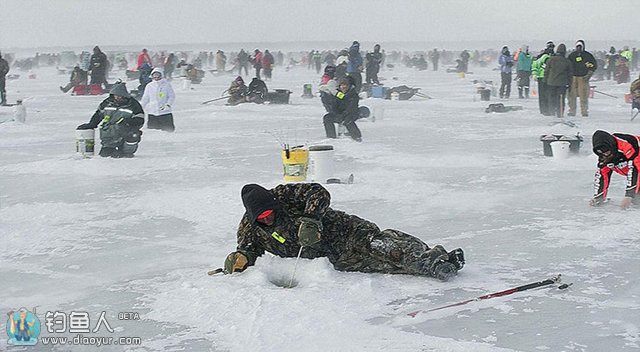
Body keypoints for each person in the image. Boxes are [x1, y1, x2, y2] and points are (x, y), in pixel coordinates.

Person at [222, 183, 465, 281]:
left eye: (269, 213)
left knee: (384, 248)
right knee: (383, 265)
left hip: (347, 231)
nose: (267, 218)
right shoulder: (249, 226)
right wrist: (241, 257)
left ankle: (434, 261)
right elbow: (247, 248)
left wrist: (311, 219)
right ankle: (435, 263)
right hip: (335, 256)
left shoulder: (284, 195)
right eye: (261, 218)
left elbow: (318, 192)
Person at [76, 83, 144, 158]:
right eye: (115, 95)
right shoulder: (107, 103)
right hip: (109, 135)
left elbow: (140, 118)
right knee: (105, 155)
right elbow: (98, 115)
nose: (117, 97)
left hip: (125, 133)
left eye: (119, 96)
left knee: (128, 147)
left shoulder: (133, 104)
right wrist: (92, 124)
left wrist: (129, 122)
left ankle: (126, 151)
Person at [590, 130, 640, 209]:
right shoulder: (604, 156)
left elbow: (635, 168)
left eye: (607, 152)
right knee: (636, 200)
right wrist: (598, 197)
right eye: (602, 154)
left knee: (636, 199)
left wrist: (629, 195)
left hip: (638, 165)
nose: (606, 155)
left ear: (611, 145)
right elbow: (603, 175)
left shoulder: (626, 144)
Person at [323, 77, 362, 142]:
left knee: (347, 120)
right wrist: (336, 114)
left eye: (345, 85)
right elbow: (334, 106)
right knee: (327, 117)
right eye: (342, 85)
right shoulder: (338, 94)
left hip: (352, 113)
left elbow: (351, 107)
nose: (343, 87)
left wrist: (343, 115)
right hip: (340, 113)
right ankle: (331, 136)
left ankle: (357, 136)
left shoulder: (353, 95)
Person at [567, 40, 597, 117]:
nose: (579, 48)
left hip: (583, 78)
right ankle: (572, 111)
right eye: (577, 46)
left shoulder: (588, 56)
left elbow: (593, 65)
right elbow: (567, 66)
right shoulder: (572, 56)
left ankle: (584, 111)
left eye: (580, 46)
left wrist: (589, 74)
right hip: (573, 78)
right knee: (571, 96)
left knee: (583, 96)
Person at [140, 67, 176, 132]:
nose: (156, 77)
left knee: (168, 130)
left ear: (161, 75)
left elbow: (171, 96)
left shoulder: (166, 85)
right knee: (153, 131)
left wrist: (168, 105)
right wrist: (141, 107)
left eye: (158, 75)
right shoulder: (149, 86)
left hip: (165, 112)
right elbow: (146, 98)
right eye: (154, 75)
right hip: (153, 112)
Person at [544, 43, 572, 118]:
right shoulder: (567, 61)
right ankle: (560, 113)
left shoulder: (551, 59)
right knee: (561, 99)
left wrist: (545, 80)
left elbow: (546, 71)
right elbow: (570, 74)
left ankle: (552, 112)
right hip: (562, 83)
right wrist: (570, 84)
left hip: (551, 82)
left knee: (551, 98)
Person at [532, 42, 555, 115]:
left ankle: (550, 109)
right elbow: (535, 65)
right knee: (542, 95)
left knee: (550, 94)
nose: (551, 48)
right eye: (550, 47)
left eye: (552, 47)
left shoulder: (554, 56)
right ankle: (543, 110)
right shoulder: (542, 56)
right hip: (542, 77)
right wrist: (535, 74)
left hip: (551, 78)